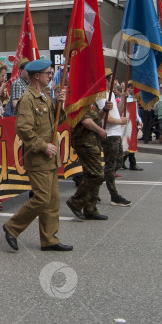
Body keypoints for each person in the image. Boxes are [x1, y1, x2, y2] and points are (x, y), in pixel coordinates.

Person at [2, 59, 69, 252]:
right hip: (38, 157)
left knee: (53, 200)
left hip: (49, 158)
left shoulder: (44, 97)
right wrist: (43, 146)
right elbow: (23, 128)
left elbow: (56, 121)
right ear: (37, 76)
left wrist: (58, 102)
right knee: (42, 197)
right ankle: (12, 227)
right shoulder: (28, 99)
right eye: (48, 73)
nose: (50, 76)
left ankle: (49, 239)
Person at [65, 96, 108, 221]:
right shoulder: (80, 99)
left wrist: (104, 110)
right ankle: (76, 201)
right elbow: (86, 121)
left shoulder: (91, 101)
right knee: (97, 175)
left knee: (91, 175)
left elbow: (96, 118)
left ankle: (90, 209)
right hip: (85, 142)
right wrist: (100, 130)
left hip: (93, 142)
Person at [96, 69, 132, 205]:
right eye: (112, 80)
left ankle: (92, 187)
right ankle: (114, 196)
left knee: (118, 162)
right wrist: (120, 121)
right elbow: (106, 118)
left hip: (117, 133)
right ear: (105, 81)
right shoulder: (101, 96)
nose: (115, 82)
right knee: (111, 165)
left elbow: (118, 110)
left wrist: (123, 98)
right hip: (110, 134)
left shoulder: (110, 94)